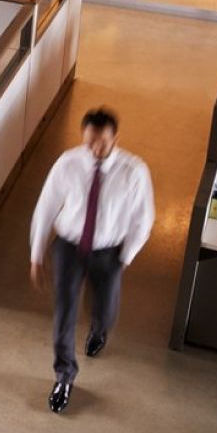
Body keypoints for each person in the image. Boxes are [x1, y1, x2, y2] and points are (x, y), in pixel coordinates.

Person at [29, 107, 154, 414]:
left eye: (102, 143)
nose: (95, 150)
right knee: (65, 311)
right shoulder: (68, 163)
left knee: (105, 309)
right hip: (69, 246)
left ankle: (99, 329)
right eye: (89, 142)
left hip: (109, 251)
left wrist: (126, 257)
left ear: (115, 138)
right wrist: (36, 254)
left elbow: (144, 218)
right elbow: (46, 207)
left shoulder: (134, 171)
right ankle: (64, 376)